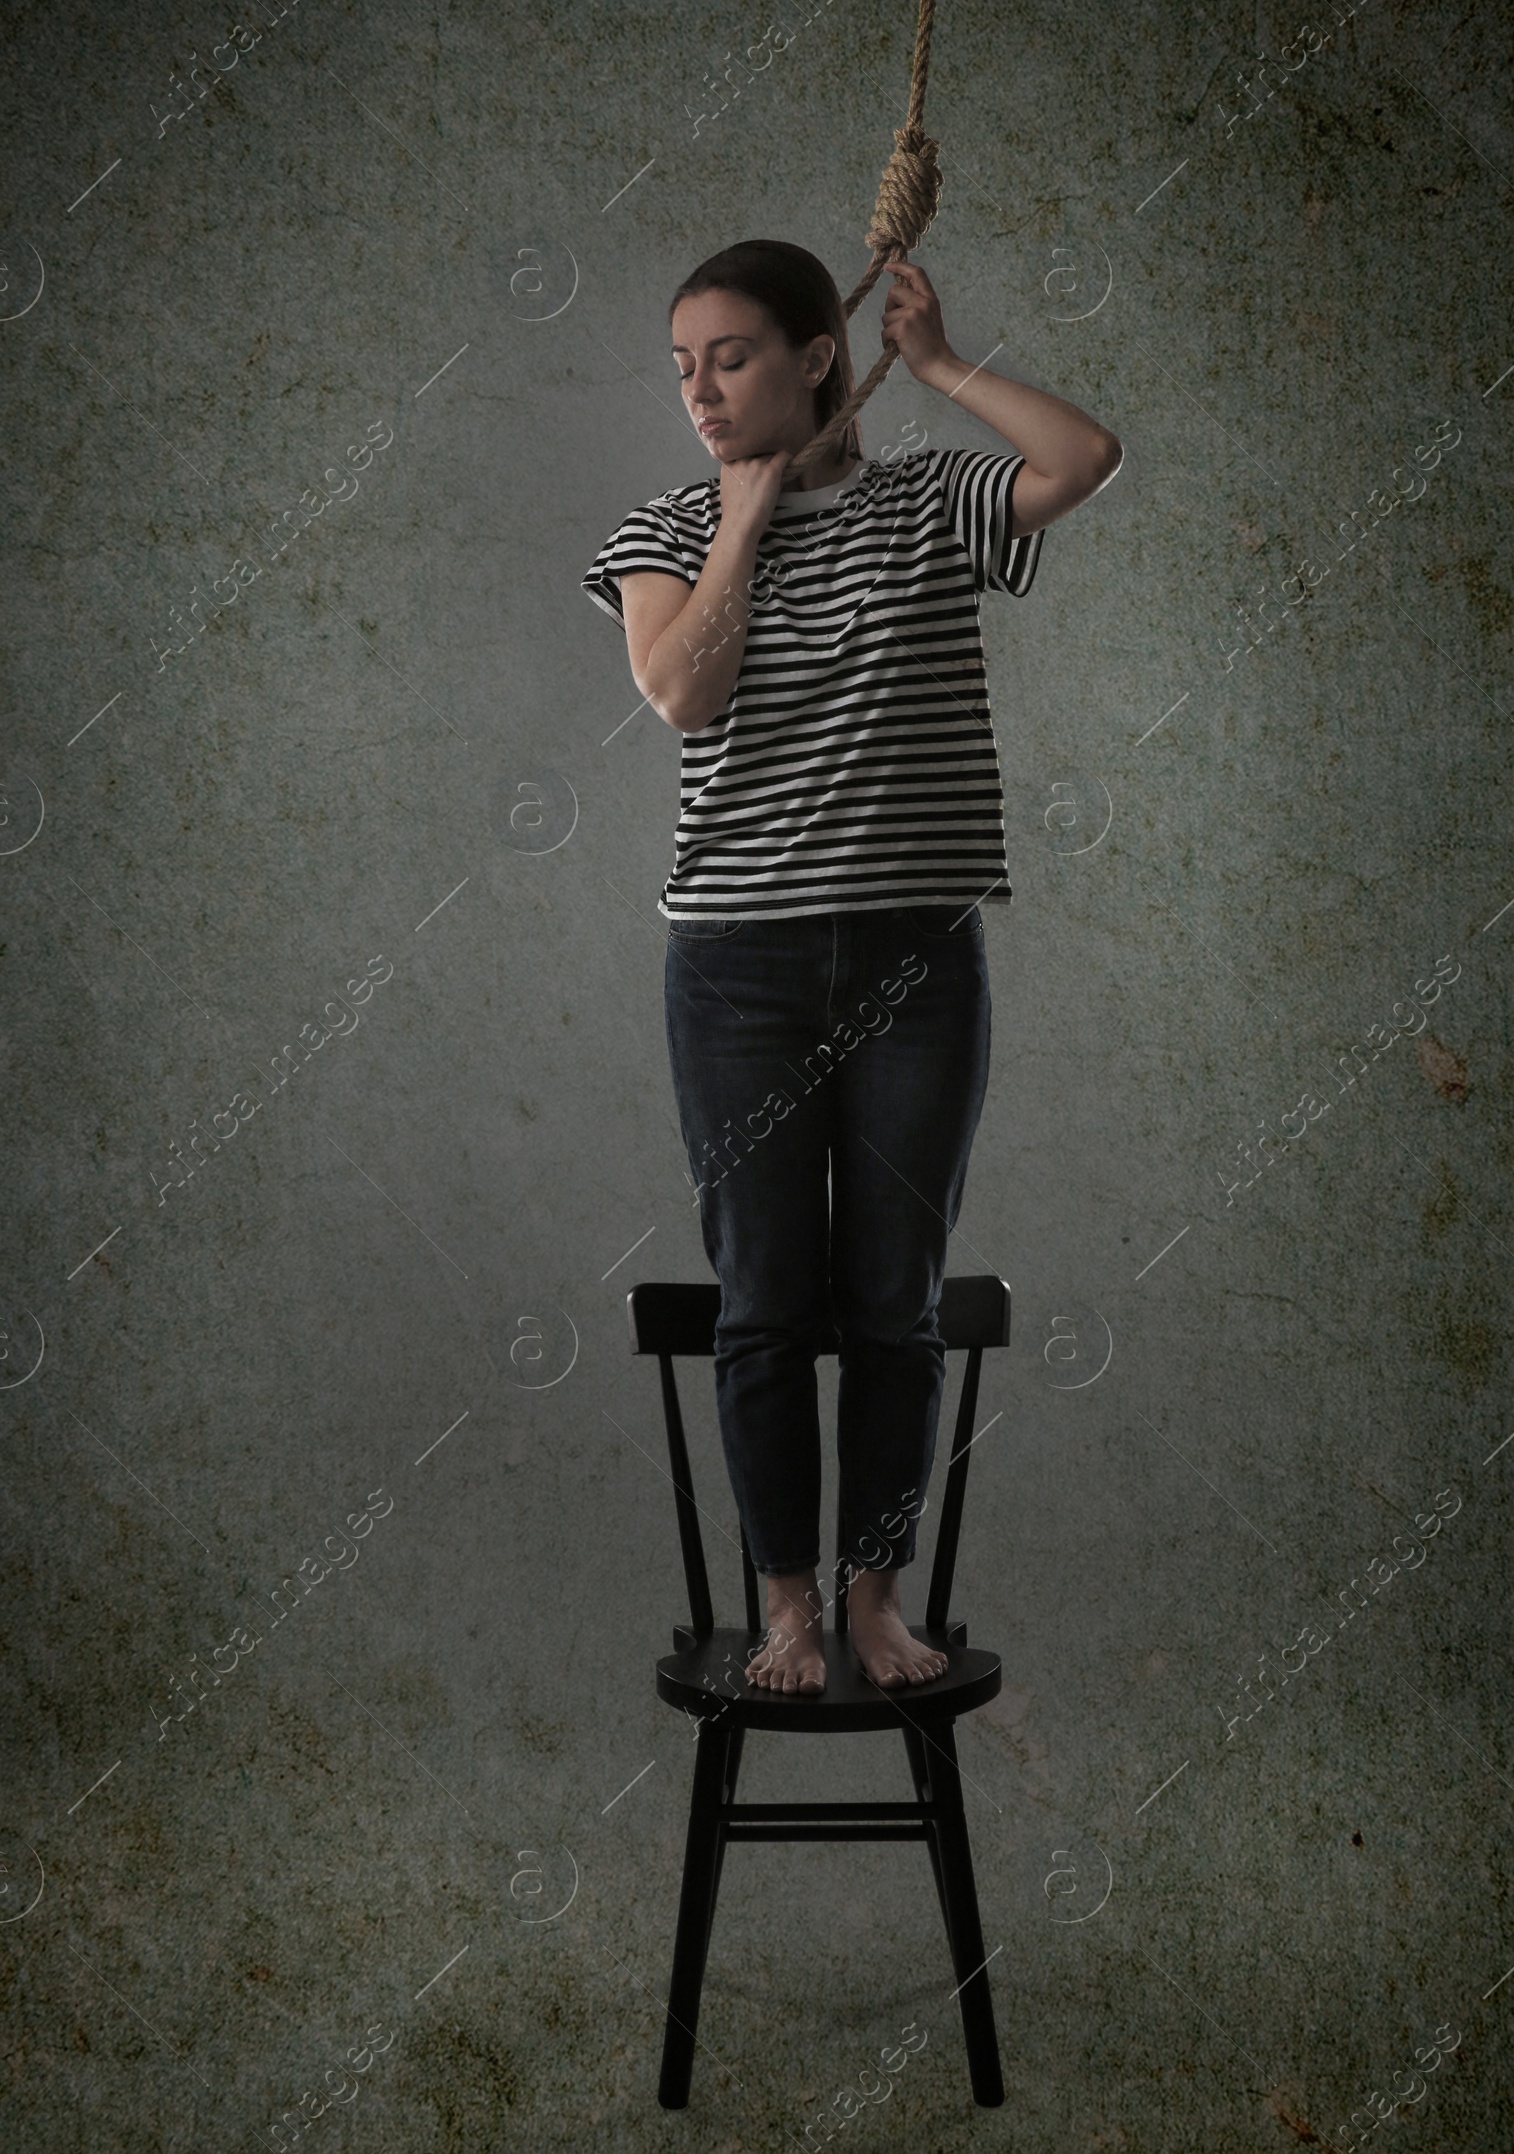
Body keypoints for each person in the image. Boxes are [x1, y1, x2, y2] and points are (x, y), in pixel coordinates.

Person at [582, 239, 1121, 1694]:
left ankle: (873, 1597)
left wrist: (944, 367)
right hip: (736, 971)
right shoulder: (666, 526)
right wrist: (741, 527)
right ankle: (787, 1612)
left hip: (912, 962)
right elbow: (685, 696)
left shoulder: (932, 501)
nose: (699, 389)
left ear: (821, 353)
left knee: (893, 1293)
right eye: (683, 365)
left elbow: (1085, 455)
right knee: (764, 1293)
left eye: (733, 355)